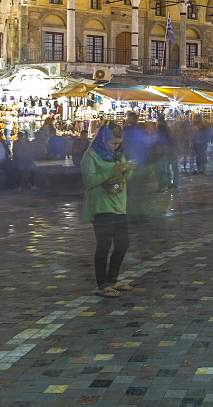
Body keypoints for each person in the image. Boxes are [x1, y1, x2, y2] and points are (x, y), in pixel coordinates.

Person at [81, 124, 137, 298]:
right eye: (113, 143)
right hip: (100, 206)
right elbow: (89, 180)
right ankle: (102, 284)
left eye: (119, 143)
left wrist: (127, 170)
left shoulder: (118, 155)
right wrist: (113, 170)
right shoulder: (91, 156)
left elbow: (124, 178)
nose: (116, 146)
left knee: (122, 244)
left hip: (119, 205)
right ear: (103, 139)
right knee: (104, 245)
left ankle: (113, 279)